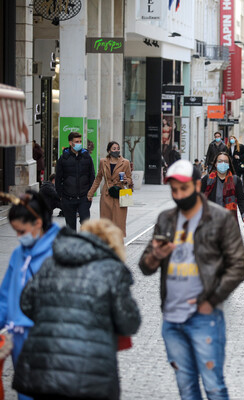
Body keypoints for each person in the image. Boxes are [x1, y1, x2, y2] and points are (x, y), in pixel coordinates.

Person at [139, 159, 244, 400]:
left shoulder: (219, 219)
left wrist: (211, 300)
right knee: (186, 388)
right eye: (174, 190)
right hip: (172, 319)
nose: (178, 195)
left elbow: (239, 265)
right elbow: (145, 266)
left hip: (204, 318)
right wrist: (155, 256)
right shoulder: (166, 219)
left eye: (184, 189)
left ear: (198, 185)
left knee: (213, 387)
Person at [13, 219, 141, 400]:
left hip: (45, 366)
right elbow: (129, 323)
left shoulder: (51, 263)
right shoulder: (112, 270)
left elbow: (26, 303)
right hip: (90, 373)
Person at [0, 191, 59, 400]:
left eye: (21, 231)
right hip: (19, 342)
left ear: (38, 223)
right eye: (15, 231)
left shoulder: (59, 254)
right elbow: (5, 296)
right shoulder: (18, 254)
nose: (18, 237)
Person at [87, 141, 133, 236]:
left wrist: (126, 180)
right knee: (106, 220)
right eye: (114, 149)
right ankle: (106, 242)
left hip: (120, 194)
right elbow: (98, 178)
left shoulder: (126, 162)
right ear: (109, 151)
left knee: (119, 220)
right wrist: (90, 193)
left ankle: (118, 242)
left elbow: (130, 179)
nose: (116, 150)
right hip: (107, 194)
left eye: (118, 148)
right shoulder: (103, 162)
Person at [55, 131, 95, 231]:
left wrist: (90, 193)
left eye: (80, 141)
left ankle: (83, 243)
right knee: (70, 226)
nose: (79, 143)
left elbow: (92, 175)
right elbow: (58, 178)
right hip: (68, 197)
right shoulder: (64, 158)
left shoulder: (87, 157)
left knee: (85, 223)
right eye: (76, 141)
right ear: (70, 143)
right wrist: (60, 195)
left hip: (84, 197)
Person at [201, 152, 244, 226]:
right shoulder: (207, 180)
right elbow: (198, 198)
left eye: (225, 162)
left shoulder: (235, 180)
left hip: (229, 222)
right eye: (220, 161)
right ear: (215, 164)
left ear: (229, 165)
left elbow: (241, 199)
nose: (223, 163)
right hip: (211, 221)